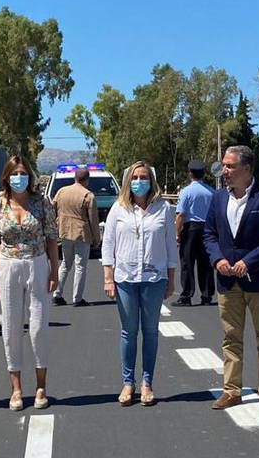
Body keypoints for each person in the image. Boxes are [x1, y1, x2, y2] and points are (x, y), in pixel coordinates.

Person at [203, 145, 259, 411]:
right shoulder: (217, 198)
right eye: (223, 165)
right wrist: (218, 259)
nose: (224, 171)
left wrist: (248, 261)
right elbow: (209, 234)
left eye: (229, 166)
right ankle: (231, 390)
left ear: (247, 168)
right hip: (227, 281)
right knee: (230, 337)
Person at [0, 156, 58, 411]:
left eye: (23, 173)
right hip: (8, 265)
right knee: (11, 327)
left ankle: (41, 386)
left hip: (36, 263)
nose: (19, 177)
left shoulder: (42, 203)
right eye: (15, 173)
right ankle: (16, 389)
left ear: (30, 176)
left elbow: (51, 238)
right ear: (7, 177)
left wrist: (54, 271)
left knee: (38, 327)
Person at [101, 161, 176, 407]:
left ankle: (147, 383)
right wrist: (108, 278)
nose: (139, 182)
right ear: (127, 182)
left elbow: (170, 246)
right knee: (129, 332)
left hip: (154, 279)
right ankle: (128, 382)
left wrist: (171, 279)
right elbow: (108, 244)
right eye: (135, 178)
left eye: (143, 177)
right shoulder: (118, 209)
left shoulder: (163, 209)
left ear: (151, 181)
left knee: (151, 332)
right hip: (125, 279)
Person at [51, 168, 101, 307]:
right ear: (87, 180)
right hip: (81, 233)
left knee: (66, 264)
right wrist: (97, 239)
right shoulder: (88, 195)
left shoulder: (62, 191)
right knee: (80, 266)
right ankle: (77, 298)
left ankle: (57, 294)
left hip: (64, 232)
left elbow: (52, 208)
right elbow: (93, 220)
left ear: (75, 178)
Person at [173, 160, 216, 307]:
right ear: (204, 174)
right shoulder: (211, 192)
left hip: (190, 229)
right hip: (207, 229)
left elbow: (180, 214)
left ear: (190, 173)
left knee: (187, 263)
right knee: (206, 264)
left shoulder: (186, 192)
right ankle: (207, 295)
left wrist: (177, 234)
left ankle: (186, 296)